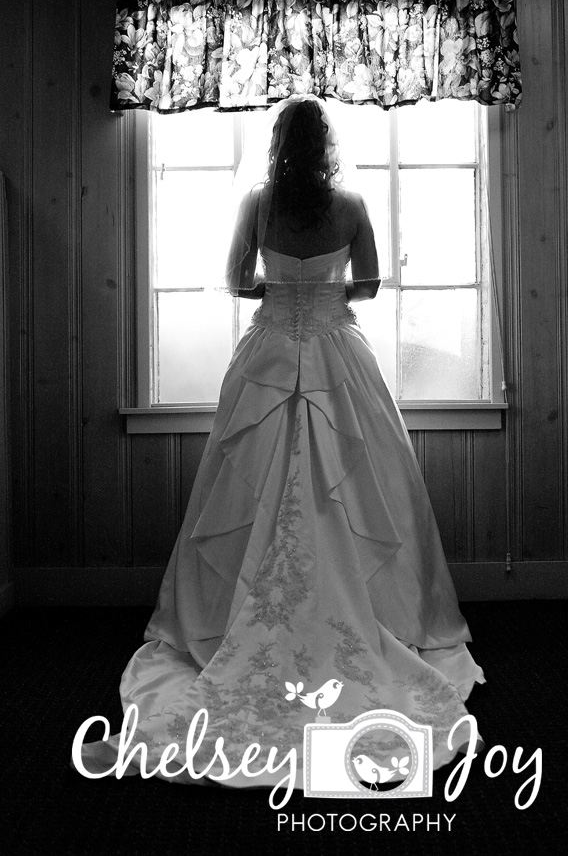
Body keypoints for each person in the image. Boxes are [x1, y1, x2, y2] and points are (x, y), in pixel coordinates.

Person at [74, 96, 484, 796]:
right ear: (327, 145)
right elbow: (373, 285)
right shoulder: (351, 203)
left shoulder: (260, 205)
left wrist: (279, 289)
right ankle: (373, 615)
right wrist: (321, 295)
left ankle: (226, 617)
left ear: (277, 144)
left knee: (248, 484)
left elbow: (237, 281)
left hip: (269, 354)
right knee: (356, 485)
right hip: (335, 352)